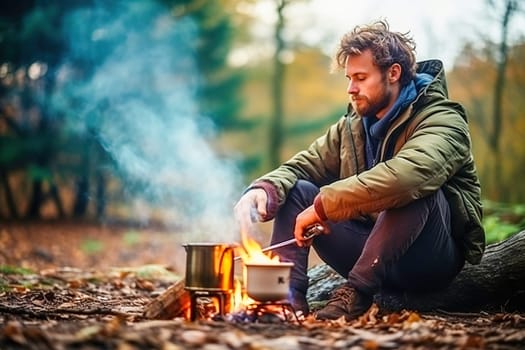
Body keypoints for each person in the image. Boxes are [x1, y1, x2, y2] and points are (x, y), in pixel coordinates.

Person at [234, 20, 485, 321]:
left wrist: (326, 206)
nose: (351, 89)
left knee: (414, 192)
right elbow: (303, 165)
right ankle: (285, 301)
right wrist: (264, 188)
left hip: (428, 260)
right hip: (368, 247)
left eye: (361, 78)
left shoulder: (443, 119)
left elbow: (408, 177)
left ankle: (355, 294)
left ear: (394, 73)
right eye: (349, 78)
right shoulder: (351, 126)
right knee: (297, 190)